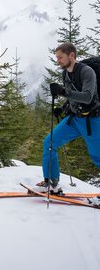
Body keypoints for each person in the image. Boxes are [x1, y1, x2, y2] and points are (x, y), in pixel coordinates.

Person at [37, 42, 100, 193]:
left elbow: (87, 97)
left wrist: (63, 91)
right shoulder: (65, 73)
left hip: (92, 121)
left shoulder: (87, 72)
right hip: (74, 120)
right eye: (57, 57)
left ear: (71, 55)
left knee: (97, 156)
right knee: (50, 143)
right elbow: (72, 96)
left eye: (60, 57)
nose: (57, 60)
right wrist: (63, 108)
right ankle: (51, 182)